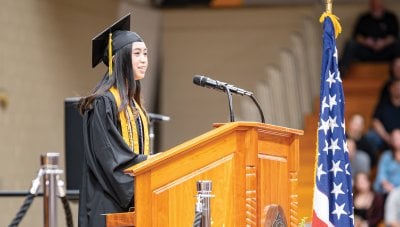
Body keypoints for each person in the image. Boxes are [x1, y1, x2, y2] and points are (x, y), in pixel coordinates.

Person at [78, 14, 152, 226]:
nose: (144, 59)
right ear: (116, 60)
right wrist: (150, 163)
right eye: (137, 53)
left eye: (145, 53)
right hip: (107, 204)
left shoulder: (134, 105)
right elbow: (111, 158)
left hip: (129, 203)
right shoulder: (103, 103)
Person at [339, 0, 400, 75]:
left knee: (398, 44)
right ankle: (342, 71)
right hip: (368, 52)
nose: (376, 7)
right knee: (351, 43)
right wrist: (366, 42)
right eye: (374, 5)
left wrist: (384, 42)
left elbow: (395, 36)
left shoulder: (391, 17)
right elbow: (357, 36)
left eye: (378, 5)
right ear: (371, 5)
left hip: (385, 52)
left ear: (382, 5)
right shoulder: (364, 18)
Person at [366, 79, 400, 151]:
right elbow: (375, 121)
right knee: (371, 136)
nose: (398, 89)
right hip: (384, 137)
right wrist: (386, 137)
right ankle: (374, 160)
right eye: (396, 87)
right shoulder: (383, 104)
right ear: (390, 89)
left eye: (399, 87)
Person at [373, 129, 400, 194]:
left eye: (398, 138)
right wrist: (386, 185)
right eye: (394, 138)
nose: (396, 141)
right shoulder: (386, 156)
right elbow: (381, 174)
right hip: (389, 190)